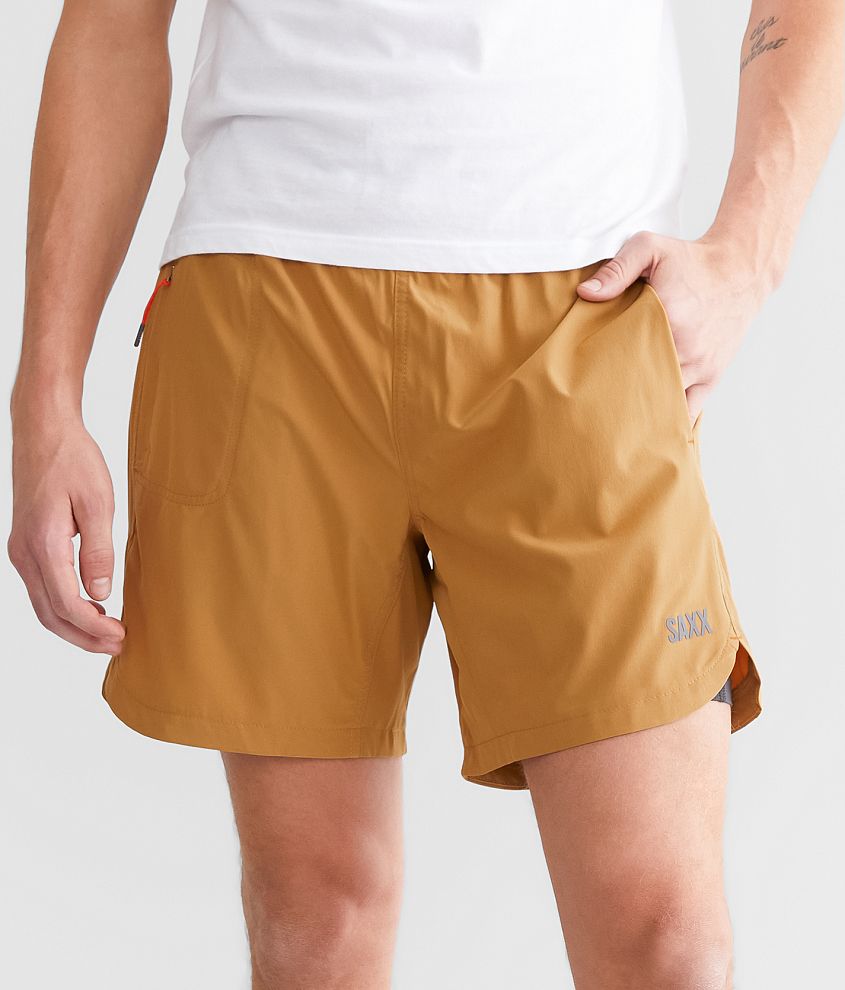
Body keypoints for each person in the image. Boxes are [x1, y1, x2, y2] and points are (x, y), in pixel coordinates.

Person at [8, 0, 843, 986]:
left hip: (583, 299)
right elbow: (110, 25)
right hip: (268, 301)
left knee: (663, 940)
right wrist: (43, 398)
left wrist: (747, 256)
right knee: (317, 918)